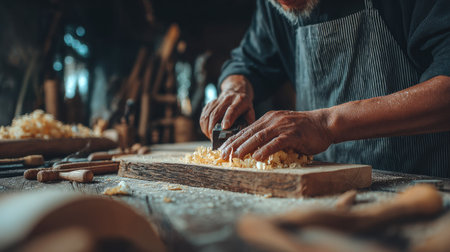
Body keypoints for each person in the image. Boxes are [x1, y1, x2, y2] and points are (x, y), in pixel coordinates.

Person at [200, 0, 450, 177]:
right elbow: (248, 62)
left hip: (424, 188)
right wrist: (235, 88)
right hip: (325, 190)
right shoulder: (275, 5)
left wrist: (327, 124)